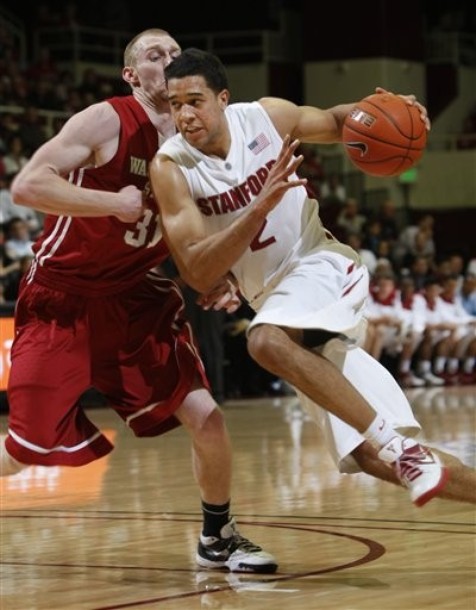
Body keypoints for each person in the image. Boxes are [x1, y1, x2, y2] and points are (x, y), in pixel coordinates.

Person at [149, 48, 476, 507]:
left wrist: (392, 110)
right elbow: (198, 273)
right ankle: (402, 449)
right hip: (279, 308)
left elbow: (340, 120)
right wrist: (257, 208)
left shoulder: (265, 118)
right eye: (175, 103)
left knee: (262, 342)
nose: (184, 114)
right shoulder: (171, 167)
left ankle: (400, 447)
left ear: (223, 98)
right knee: (371, 456)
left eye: (195, 100)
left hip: (319, 264)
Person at [2, 29, 277, 575]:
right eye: (156, 56)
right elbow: (27, 186)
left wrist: (216, 277)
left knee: (207, 417)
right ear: (133, 76)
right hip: (64, 294)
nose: (170, 61)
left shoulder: (193, 144)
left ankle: (218, 535)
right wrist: (112, 201)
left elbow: (191, 230)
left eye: (176, 54)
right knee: (22, 448)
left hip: (136, 297)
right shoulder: (106, 119)